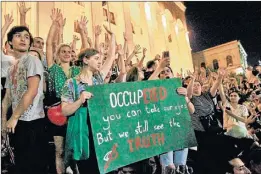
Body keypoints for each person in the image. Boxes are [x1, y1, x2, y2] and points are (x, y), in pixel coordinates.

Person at [61, 25, 116, 174]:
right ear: (85, 60)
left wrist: (112, 36)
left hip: (101, 131)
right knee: (87, 168)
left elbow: (111, 57)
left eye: (100, 59)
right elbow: (65, 111)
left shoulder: (98, 78)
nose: (100, 62)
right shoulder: (71, 83)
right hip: (81, 134)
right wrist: (80, 100)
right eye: (96, 58)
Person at [2, 25, 47, 174]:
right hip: (18, 123)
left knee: (34, 166)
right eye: (18, 36)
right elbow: (8, 96)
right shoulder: (11, 69)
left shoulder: (32, 61)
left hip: (33, 122)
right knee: (20, 164)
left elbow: (32, 90)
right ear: (9, 43)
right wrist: (3, 121)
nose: (23, 39)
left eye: (26, 37)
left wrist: (14, 117)